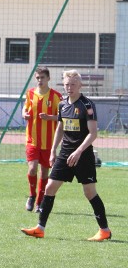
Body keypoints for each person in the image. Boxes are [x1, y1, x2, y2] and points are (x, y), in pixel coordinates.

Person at [21, 70, 111, 242]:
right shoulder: (62, 105)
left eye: (73, 85)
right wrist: (54, 150)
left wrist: (79, 151)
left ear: (80, 85)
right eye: (66, 84)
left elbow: (93, 133)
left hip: (83, 155)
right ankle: (40, 228)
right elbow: (60, 128)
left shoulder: (87, 105)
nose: (69, 88)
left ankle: (104, 230)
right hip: (65, 154)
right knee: (50, 188)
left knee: (89, 192)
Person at [22, 67, 62, 212]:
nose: (40, 80)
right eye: (38, 78)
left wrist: (50, 117)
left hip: (49, 142)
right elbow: (25, 109)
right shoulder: (30, 93)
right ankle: (32, 196)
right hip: (32, 140)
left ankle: (39, 202)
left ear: (48, 79)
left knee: (44, 173)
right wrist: (24, 114)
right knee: (32, 169)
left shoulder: (56, 96)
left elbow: (63, 117)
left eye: (42, 78)